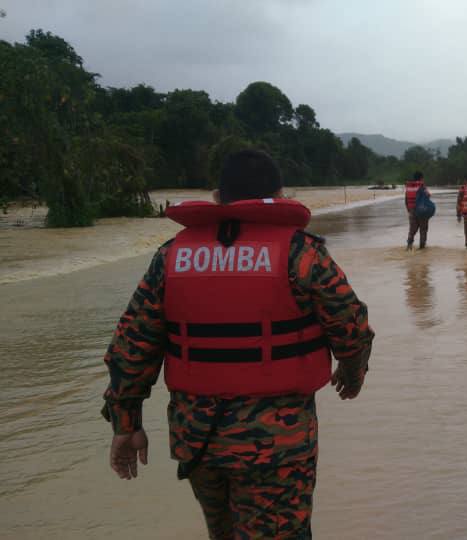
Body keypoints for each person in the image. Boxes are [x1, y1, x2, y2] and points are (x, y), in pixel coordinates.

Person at [101, 149, 374, 539]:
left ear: (217, 197)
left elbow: (132, 345)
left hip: (198, 442)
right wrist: (352, 373)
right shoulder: (302, 253)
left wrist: (125, 425)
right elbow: (352, 327)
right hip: (278, 446)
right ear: (280, 195)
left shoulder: (172, 256)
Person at [404, 171, 431, 250]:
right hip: (422, 210)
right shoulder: (422, 186)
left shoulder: (408, 187)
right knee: (423, 229)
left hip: (412, 210)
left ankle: (409, 246)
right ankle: (422, 248)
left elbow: (406, 200)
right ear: (421, 178)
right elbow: (428, 196)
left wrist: (409, 210)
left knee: (412, 229)